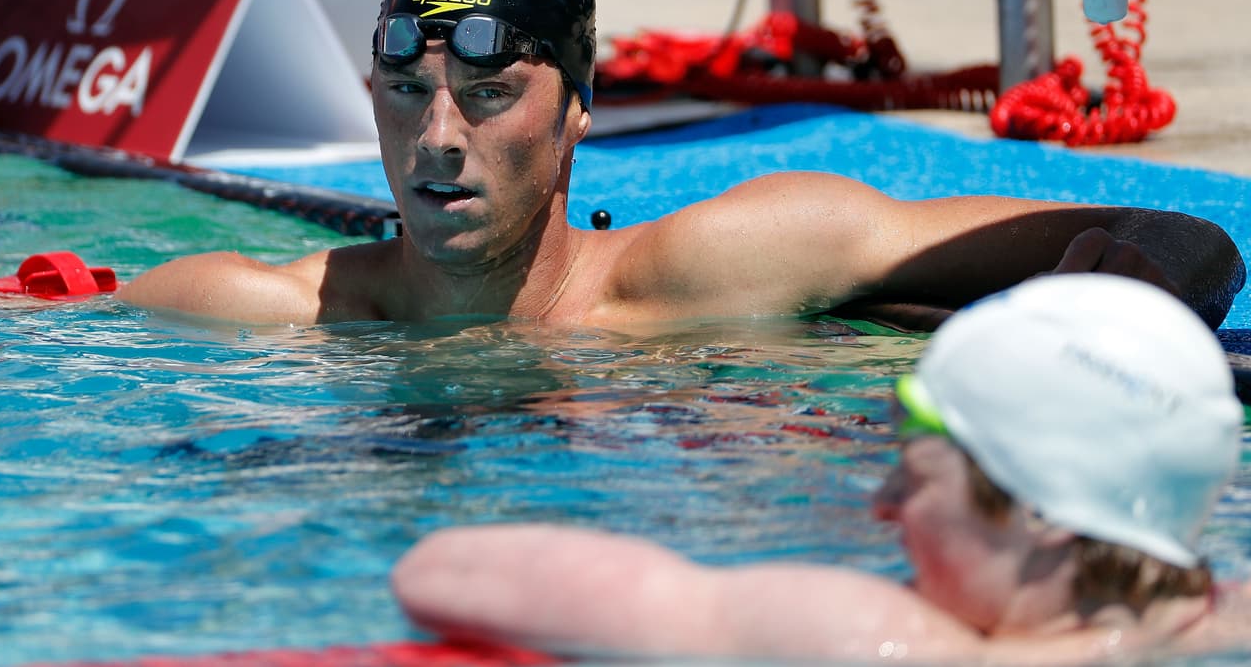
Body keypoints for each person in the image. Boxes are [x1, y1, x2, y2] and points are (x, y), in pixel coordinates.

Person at [116, 0, 1246, 331]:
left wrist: (1129, 302)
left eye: (491, 90)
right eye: (406, 91)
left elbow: (1181, 237)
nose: (438, 138)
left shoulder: (719, 263)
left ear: (578, 110)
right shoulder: (271, 313)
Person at [392, 273, 1249, 664]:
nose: (881, 506)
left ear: (1045, 509)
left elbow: (444, 570)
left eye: (913, 476)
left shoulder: (882, 641)